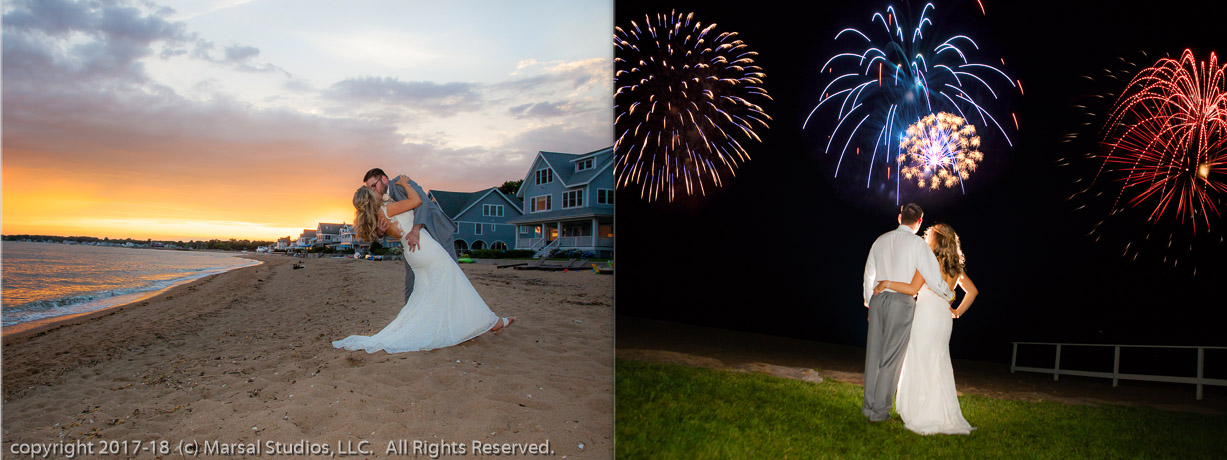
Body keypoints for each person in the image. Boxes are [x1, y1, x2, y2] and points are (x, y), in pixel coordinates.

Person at [333, 178, 514, 353]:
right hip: (425, 250)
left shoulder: (378, 215)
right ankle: (493, 323)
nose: (376, 190)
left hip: (413, 254)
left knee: (425, 295)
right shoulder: (388, 208)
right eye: (372, 190)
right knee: (458, 285)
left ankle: (483, 324)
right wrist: (404, 183)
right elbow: (417, 200)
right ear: (371, 198)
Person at [874, 222, 978, 435]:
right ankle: (941, 411)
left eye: (929, 236)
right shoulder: (955, 268)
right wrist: (957, 312)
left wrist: (887, 283)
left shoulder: (929, 262)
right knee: (938, 361)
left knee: (920, 360)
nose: (926, 239)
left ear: (936, 241)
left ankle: (920, 411)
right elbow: (973, 292)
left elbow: (912, 288)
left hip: (926, 317)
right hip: (943, 319)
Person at [861, 203, 954, 422]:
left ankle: (868, 407)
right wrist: (948, 295)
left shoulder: (880, 240)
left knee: (873, 354)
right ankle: (879, 412)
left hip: (878, 299)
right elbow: (932, 276)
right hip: (901, 302)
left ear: (900, 217)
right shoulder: (918, 245)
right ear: (919, 221)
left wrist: (868, 302)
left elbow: (869, 274)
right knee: (891, 358)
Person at [362, 168, 458, 303]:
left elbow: (422, 201)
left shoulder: (401, 183)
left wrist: (416, 229)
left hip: (436, 230)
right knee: (411, 282)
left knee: (452, 272)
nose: (373, 190)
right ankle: (410, 314)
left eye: (373, 185)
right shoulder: (377, 201)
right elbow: (389, 226)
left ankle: (454, 311)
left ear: (384, 179)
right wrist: (380, 232)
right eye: (370, 188)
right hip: (411, 244)